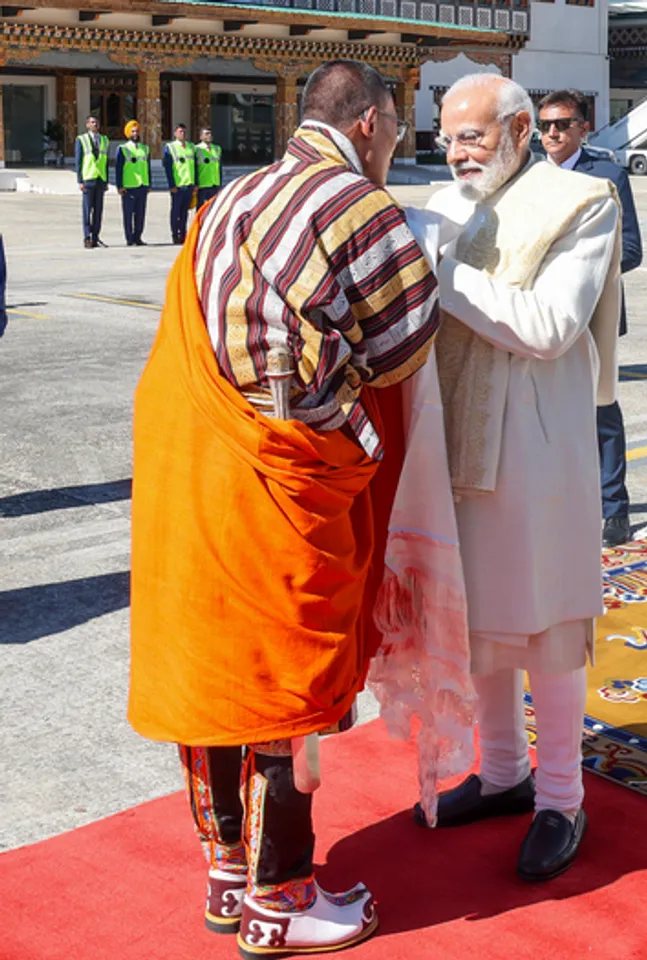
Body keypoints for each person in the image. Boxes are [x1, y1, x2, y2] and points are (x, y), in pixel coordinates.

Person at [128, 60, 438, 957]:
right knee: (285, 685)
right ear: (373, 122)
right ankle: (282, 899)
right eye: (400, 124)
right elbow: (403, 347)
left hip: (203, 468)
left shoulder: (231, 194)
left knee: (217, 671)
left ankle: (228, 873)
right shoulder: (358, 204)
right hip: (286, 475)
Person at [415, 74, 621, 881]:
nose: (455, 150)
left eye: (472, 135)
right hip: (453, 438)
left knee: (545, 623)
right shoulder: (442, 203)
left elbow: (548, 325)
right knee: (481, 622)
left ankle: (561, 798)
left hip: (535, 446)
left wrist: (441, 275)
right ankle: (502, 773)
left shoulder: (580, 200)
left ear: (520, 130)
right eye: (446, 133)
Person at [538, 88, 643, 548]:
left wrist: (577, 272)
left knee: (601, 413)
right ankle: (557, 502)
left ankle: (614, 509)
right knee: (543, 414)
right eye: (544, 126)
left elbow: (633, 249)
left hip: (593, 315)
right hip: (538, 316)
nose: (552, 134)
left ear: (583, 127)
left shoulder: (607, 176)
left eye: (562, 124)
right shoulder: (528, 178)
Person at [75, 115, 109, 249]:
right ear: (87, 124)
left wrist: (106, 180)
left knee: (98, 211)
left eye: (97, 122)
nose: (95, 124)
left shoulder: (104, 140)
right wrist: (80, 180)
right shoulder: (81, 139)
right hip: (88, 178)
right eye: (92, 122)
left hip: (100, 179)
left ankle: (96, 237)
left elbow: (105, 160)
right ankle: (87, 236)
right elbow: (79, 161)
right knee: (87, 209)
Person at [115, 120, 151, 246]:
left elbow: (148, 167)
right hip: (129, 186)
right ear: (128, 133)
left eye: (137, 131)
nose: (135, 133)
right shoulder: (123, 149)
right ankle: (129, 238)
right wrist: (119, 186)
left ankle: (138, 237)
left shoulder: (145, 149)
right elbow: (118, 169)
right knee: (128, 214)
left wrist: (149, 183)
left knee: (140, 214)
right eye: (133, 131)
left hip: (142, 185)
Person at [163, 123, 196, 244]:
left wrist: (195, 183)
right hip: (178, 186)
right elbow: (168, 168)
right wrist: (171, 185)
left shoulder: (191, 147)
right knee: (175, 212)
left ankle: (183, 233)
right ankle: (175, 234)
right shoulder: (170, 147)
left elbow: (195, 166)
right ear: (175, 133)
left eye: (184, 132)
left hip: (189, 185)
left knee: (185, 212)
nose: (182, 134)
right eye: (180, 131)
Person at [195, 126, 223, 208]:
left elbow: (219, 167)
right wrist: (196, 184)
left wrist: (220, 183)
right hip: (202, 185)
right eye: (207, 134)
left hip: (215, 184)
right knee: (201, 209)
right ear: (201, 137)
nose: (209, 135)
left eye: (210, 133)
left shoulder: (217, 149)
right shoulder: (197, 149)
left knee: (214, 209)